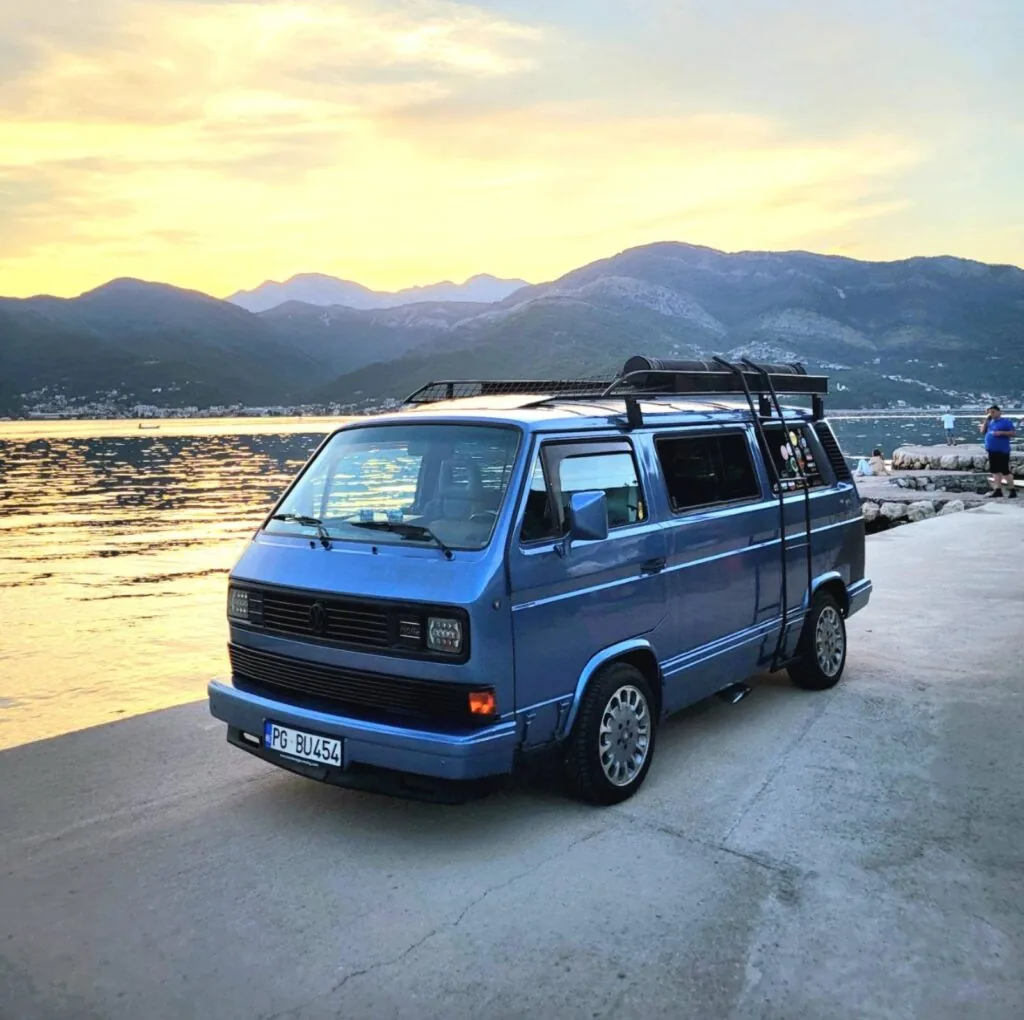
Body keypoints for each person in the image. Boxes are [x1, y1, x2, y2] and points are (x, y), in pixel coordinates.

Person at [980, 405, 1016, 499]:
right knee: (995, 470)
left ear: (999, 412)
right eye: (989, 412)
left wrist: (1001, 433)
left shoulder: (1006, 422)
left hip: (1002, 450)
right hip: (992, 450)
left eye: (993, 412)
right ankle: (998, 490)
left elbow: (1013, 433)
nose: (991, 414)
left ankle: (1012, 490)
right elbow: (982, 431)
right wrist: (986, 420)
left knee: (1005, 470)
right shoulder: (990, 422)